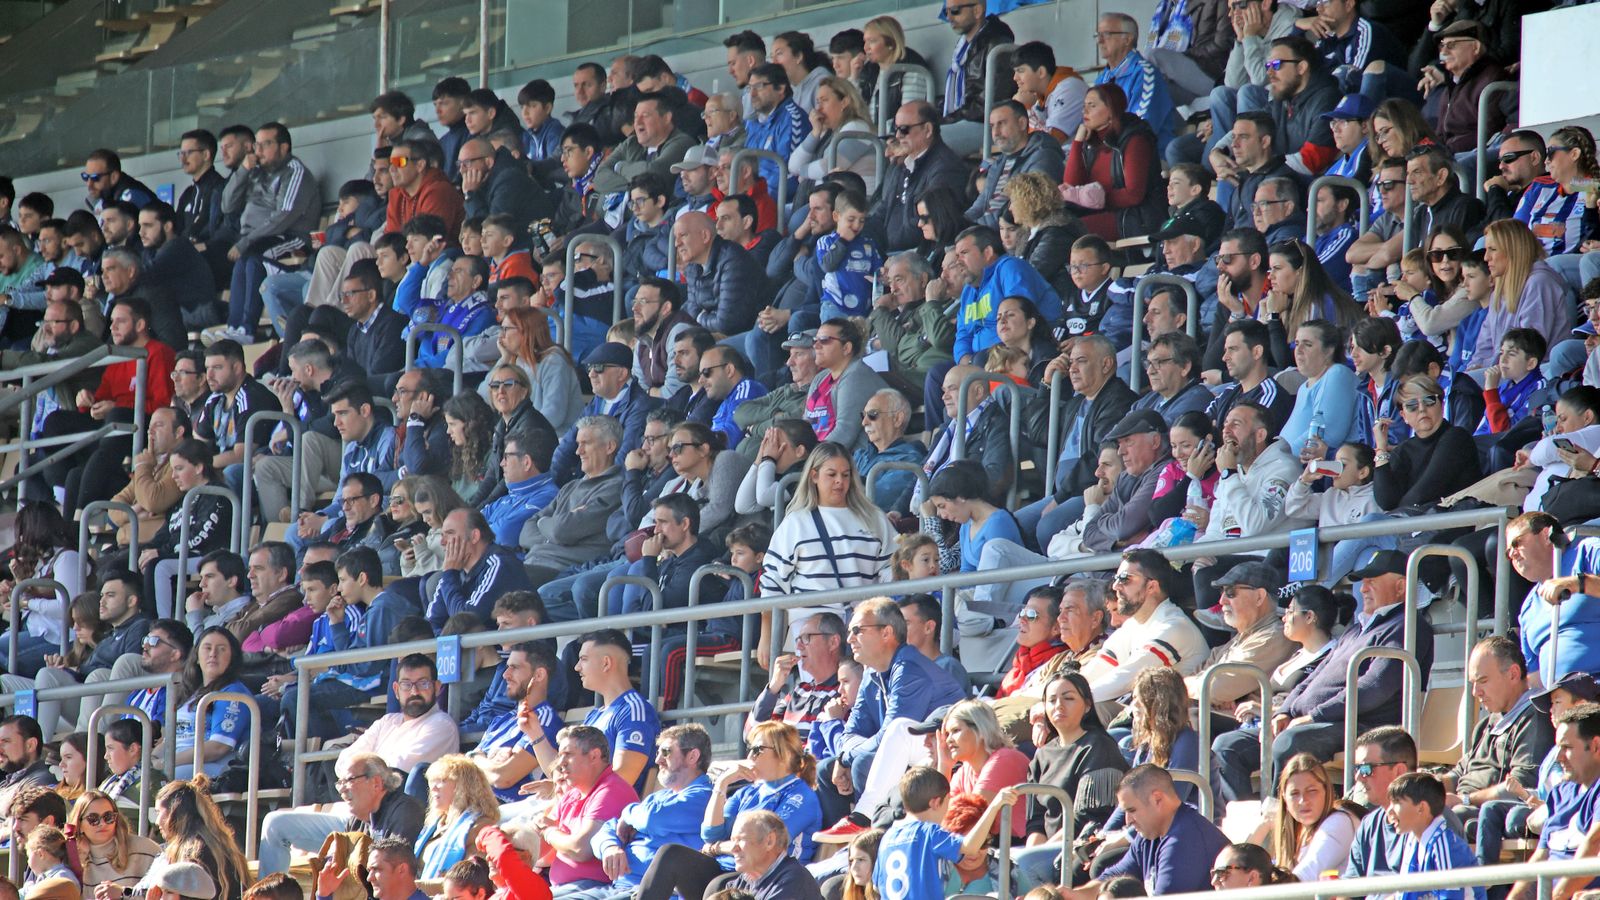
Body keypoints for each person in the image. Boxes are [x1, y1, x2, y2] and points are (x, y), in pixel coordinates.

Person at [1214, 550, 1436, 803]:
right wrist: (1285, 711)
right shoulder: (1356, 629)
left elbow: (1374, 688)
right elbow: (1314, 677)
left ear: (1400, 586)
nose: (1363, 589)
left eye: (1372, 580)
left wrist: (1313, 717)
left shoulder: (1407, 627)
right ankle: (1245, 822)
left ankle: (1279, 821)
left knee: (1290, 742)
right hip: (1315, 721)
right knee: (1227, 746)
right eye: (1362, 582)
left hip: (1362, 726)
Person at [633, 721, 819, 900]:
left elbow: (767, 843)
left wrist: (715, 849)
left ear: (783, 754)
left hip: (772, 877)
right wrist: (722, 784)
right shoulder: (747, 792)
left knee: (718, 885)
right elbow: (711, 833)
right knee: (670, 855)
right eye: (749, 749)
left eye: (758, 750)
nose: (750, 756)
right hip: (732, 871)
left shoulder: (801, 795)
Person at [756, 443, 895, 665]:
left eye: (845, 475)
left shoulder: (874, 518)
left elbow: (891, 569)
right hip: (811, 628)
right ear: (814, 476)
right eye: (832, 474)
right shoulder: (795, 522)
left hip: (863, 625)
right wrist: (766, 638)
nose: (840, 481)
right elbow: (772, 583)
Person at [1009, 671, 1129, 894]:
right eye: (1052, 700)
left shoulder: (1098, 747)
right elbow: (1035, 821)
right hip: (1050, 846)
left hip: (1080, 842)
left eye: (1069, 698)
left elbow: (1088, 817)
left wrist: (1039, 855)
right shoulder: (1042, 755)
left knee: (1024, 865)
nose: (1059, 706)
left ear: (1087, 705)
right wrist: (1035, 851)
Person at [578, 724, 715, 899]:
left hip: (656, 892)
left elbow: (653, 819)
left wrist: (628, 814)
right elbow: (606, 829)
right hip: (617, 888)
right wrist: (610, 847)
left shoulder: (705, 797)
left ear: (692, 756)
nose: (658, 760)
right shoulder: (656, 799)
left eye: (666, 752)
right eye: (658, 753)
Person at [1060, 765, 1230, 898]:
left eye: (1132, 810)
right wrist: (1077, 895)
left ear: (1157, 799)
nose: (1128, 820)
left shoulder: (1184, 840)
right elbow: (1115, 875)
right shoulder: (1150, 835)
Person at [257, 751, 425, 876]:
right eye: (340, 783)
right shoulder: (358, 819)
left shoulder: (405, 812)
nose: (342, 790)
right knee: (276, 824)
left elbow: (394, 872)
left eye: (350, 781)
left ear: (376, 782)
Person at [1440, 637, 1552, 821]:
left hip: (1489, 814)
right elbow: (1460, 773)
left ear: (1513, 674)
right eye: (1473, 683)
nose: (1476, 692)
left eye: (1483, 680)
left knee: (1447, 816)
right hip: (1464, 804)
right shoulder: (1487, 724)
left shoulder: (1535, 716)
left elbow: (1519, 784)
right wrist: (1430, 786)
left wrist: (1465, 800)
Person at [1063, 83, 1165, 240]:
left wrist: (1096, 198)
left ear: (1111, 109)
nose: (1085, 111)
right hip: (1102, 213)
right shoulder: (1091, 143)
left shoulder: (1135, 139)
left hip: (1136, 217)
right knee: (1053, 224)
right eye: (1084, 106)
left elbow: (1133, 195)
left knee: (1068, 230)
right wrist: (1077, 142)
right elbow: (1071, 187)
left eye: (1092, 105)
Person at [870, 101, 968, 253]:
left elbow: (928, 223)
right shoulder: (902, 164)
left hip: (916, 256)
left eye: (904, 129)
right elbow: (883, 209)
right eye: (896, 129)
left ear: (928, 130)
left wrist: (883, 249)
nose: (897, 135)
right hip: (891, 252)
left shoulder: (946, 168)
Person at [1386, 772, 1486, 900]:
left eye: (1396, 802)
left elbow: (1450, 896)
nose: (1389, 812)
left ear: (1421, 808)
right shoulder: (1412, 840)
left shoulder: (1446, 845)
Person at [152, 779, 249, 900]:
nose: (156, 822)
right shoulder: (215, 842)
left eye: (158, 812)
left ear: (174, 811)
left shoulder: (193, 852)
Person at [413, 756, 498, 878]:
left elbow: (472, 877)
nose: (433, 787)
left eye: (442, 780)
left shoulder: (480, 826)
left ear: (464, 787)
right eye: (432, 781)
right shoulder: (434, 825)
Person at [67, 792, 160, 892]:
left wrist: (123, 895)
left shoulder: (145, 849)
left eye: (108, 817)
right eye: (93, 819)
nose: (102, 823)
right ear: (79, 824)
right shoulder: (68, 854)